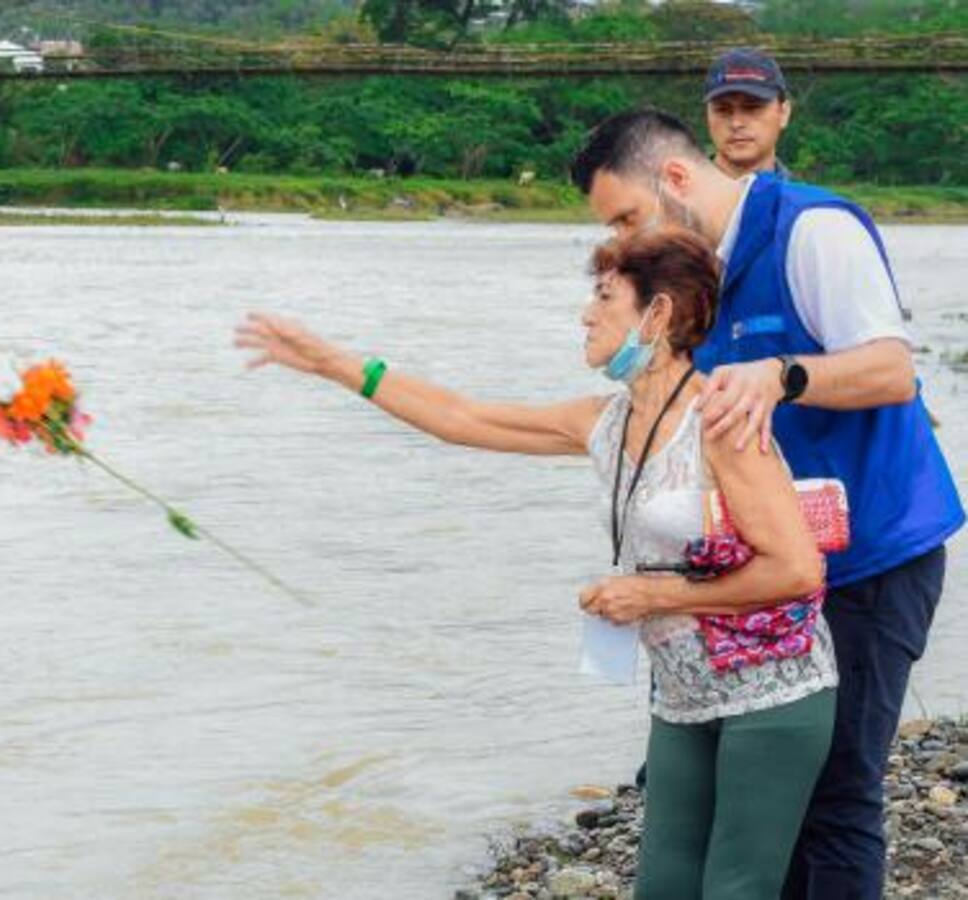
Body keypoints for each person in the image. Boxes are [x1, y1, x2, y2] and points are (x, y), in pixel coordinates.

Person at [236, 228, 838, 899]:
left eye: (605, 297)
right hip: (684, 694)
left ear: (658, 314)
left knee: (738, 889)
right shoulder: (602, 422)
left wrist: (652, 596)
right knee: (663, 886)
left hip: (776, 691)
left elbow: (798, 570)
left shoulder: (719, 422)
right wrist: (333, 364)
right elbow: (460, 418)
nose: (586, 314)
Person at [569, 109, 964, 899]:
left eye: (625, 216)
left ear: (675, 181)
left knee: (838, 791)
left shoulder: (813, 228)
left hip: (871, 555)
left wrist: (782, 374)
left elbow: (891, 370)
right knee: (762, 809)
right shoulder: (687, 285)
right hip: (763, 575)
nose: (624, 240)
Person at [704, 48, 792, 179]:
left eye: (752, 108)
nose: (736, 123)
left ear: (784, 113)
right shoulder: (671, 196)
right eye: (722, 110)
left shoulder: (810, 199)